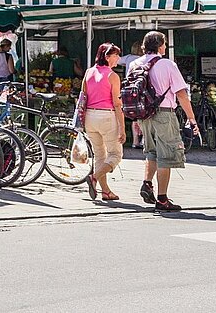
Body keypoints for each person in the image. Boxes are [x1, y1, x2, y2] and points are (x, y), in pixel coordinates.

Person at [131, 31, 199, 212]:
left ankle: (147, 183)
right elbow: (181, 94)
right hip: (164, 114)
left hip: (143, 115)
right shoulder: (167, 64)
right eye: (165, 44)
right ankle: (162, 199)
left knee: (151, 151)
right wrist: (191, 118)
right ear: (161, 46)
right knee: (166, 156)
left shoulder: (135, 64)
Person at [78, 43, 125, 202]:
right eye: (115, 55)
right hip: (107, 117)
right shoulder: (112, 76)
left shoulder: (88, 72)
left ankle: (106, 191)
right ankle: (94, 177)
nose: (118, 58)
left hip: (90, 117)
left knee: (99, 156)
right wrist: (122, 129)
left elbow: (83, 97)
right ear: (107, 57)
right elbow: (117, 104)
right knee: (115, 155)